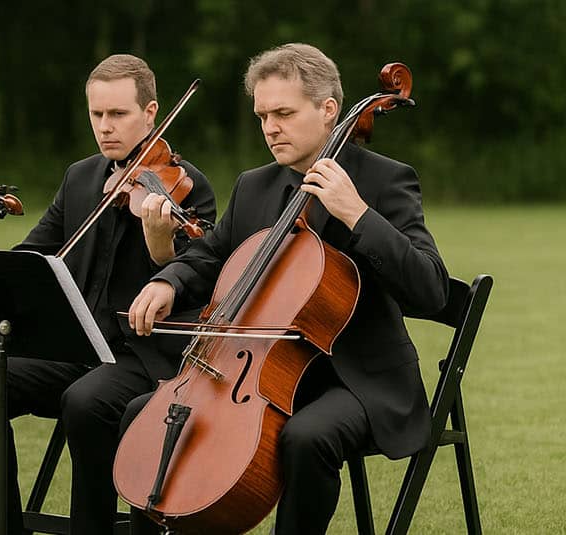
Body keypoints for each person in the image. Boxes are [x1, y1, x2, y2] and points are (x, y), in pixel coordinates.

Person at [123, 43, 448, 534]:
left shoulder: (385, 180)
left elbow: (431, 290)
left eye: (283, 113)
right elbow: (211, 256)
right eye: (262, 115)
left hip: (357, 377)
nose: (270, 127)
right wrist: (169, 281)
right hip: (260, 375)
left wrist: (356, 213)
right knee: (144, 413)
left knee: (305, 437)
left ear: (328, 110)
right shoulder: (255, 185)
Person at [0, 54, 216, 534]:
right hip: (75, 345)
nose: (105, 127)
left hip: (141, 355)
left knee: (86, 401)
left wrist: (159, 247)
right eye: (97, 115)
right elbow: (32, 257)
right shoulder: (81, 178)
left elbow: (201, 277)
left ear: (151, 113)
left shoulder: (189, 186)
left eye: (118, 114)